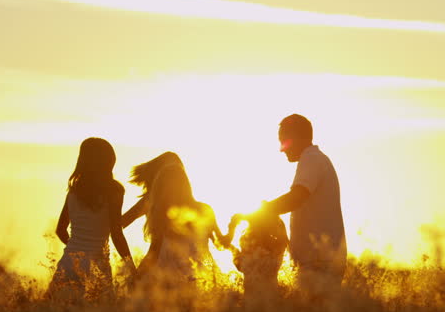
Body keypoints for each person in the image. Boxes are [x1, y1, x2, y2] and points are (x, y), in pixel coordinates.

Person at [238, 114, 346, 293]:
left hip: (320, 263)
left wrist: (262, 211)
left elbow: (296, 197)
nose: (281, 149)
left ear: (299, 138)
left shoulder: (311, 159)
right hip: (318, 262)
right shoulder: (314, 159)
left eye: (284, 142)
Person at [48, 138, 135, 299]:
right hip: (97, 265)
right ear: (109, 160)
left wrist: (77, 251)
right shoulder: (114, 191)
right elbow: (116, 232)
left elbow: (61, 230)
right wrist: (130, 266)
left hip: (68, 263)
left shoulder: (74, 191)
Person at [122, 153, 228, 284]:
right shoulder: (204, 209)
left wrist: (136, 275)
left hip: (166, 273)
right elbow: (220, 243)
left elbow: (154, 251)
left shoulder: (158, 207)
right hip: (197, 275)